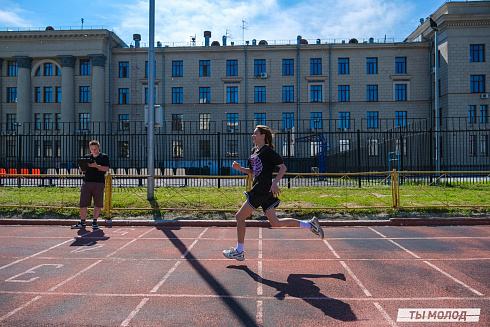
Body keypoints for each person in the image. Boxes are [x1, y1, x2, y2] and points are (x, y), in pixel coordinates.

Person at [223, 125, 324, 261]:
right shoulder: (254, 151)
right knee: (275, 222)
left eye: (255, 133)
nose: (253, 135)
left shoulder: (268, 151)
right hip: (263, 189)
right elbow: (254, 172)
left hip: (262, 189)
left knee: (239, 217)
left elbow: (283, 167)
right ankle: (310, 224)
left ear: (262, 136)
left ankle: (239, 251)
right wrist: (240, 168)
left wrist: (275, 183)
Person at [72, 140, 110, 230]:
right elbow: (80, 169)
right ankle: (83, 221)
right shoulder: (87, 157)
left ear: (99, 148)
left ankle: (95, 221)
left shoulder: (103, 157)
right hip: (87, 182)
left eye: (95, 149)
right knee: (83, 203)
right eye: (92, 149)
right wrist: (83, 168)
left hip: (99, 182)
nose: (93, 151)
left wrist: (96, 166)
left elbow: (106, 169)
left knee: (98, 203)